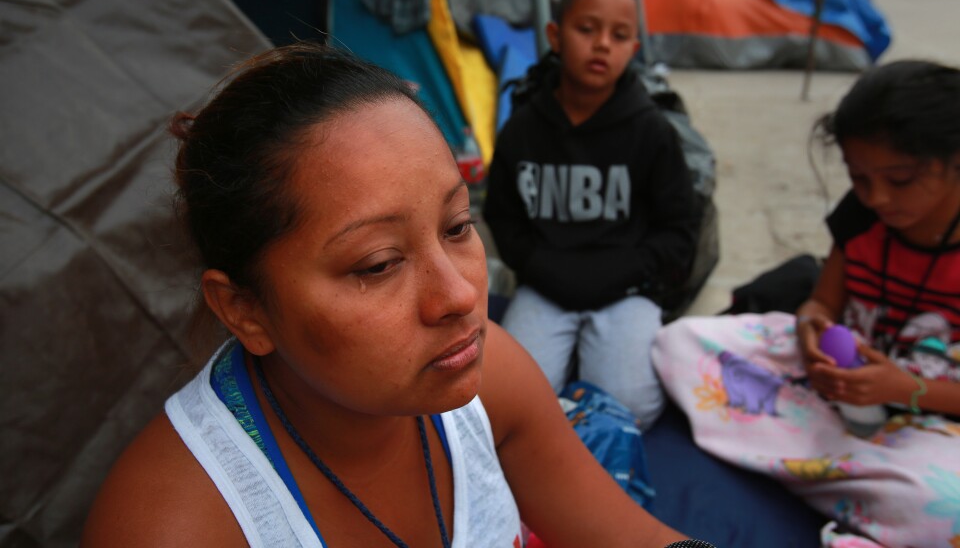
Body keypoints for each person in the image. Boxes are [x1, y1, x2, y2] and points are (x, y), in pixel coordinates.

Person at [79, 42, 693, 547]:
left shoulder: (488, 375)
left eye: (457, 227)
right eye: (377, 265)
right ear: (246, 310)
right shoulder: (175, 526)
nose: (457, 297)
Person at [652, 60, 960, 547]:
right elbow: (822, 304)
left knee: (952, 508)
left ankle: (814, 467)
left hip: (935, 420)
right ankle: (847, 484)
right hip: (841, 390)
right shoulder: (862, 216)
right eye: (859, 178)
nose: (877, 197)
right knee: (679, 341)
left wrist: (907, 389)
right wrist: (810, 332)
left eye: (899, 179)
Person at [482, 0, 699, 429]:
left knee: (629, 407)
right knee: (510, 397)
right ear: (556, 37)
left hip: (625, 290)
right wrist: (540, 267)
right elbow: (501, 215)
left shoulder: (652, 132)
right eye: (587, 29)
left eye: (619, 36)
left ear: (633, 50)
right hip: (546, 285)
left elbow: (679, 230)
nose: (603, 44)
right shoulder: (523, 127)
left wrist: (621, 273)